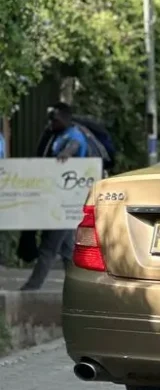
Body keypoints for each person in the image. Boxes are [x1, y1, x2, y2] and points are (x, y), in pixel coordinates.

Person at [20, 103, 89, 291]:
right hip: (57, 198)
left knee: (49, 247)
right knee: (67, 250)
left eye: (56, 119)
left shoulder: (74, 136)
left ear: (66, 119)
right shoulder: (55, 135)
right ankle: (80, 288)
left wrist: (66, 154)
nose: (52, 123)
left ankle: (32, 287)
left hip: (67, 201)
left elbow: (74, 147)